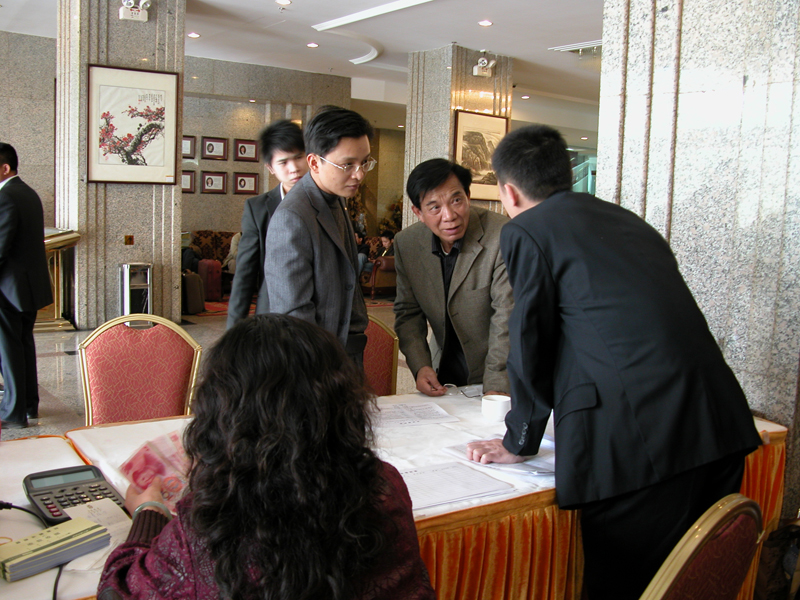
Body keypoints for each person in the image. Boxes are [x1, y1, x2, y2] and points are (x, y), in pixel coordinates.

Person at [466, 124, 762, 600]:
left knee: (622, 586)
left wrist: (519, 439)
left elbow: (530, 339)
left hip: (640, 443)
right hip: (716, 421)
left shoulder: (527, 229)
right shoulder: (627, 220)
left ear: (509, 192)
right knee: (695, 584)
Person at [98, 314, 435, 600]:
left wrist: (148, 512)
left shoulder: (210, 527)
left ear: (223, 413)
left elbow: (118, 590)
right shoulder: (384, 486)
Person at [393, 158, 513, 396]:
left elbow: (507, 317)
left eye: (456, 200)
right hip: (446, 372)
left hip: (498, 371)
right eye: (434, 207)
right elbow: (408, 313)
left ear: (468, 196)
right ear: (418, 212)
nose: (449, 215)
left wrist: (496, 387)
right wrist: (420, 366)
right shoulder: (407, 244)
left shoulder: (502, 236)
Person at [265, 106, 375, 365]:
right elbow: (293, 316)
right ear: (314, 162)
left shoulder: (336, 198)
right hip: (317, 364)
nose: (359, 174)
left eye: (364, 162)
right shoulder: (292, 217)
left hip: (344, 351)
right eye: (347, 164)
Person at [226, 120, 308, 328]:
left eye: (299, 157)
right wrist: (233, 333)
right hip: (272, 316)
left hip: (321, 319)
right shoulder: (258, 209)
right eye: (283, 162)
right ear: (270, 168)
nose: (294, 168)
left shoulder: (331, 203)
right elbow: (245, 274)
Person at [0, 143, 52, 429]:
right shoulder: (28, 193)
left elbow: (1, 247)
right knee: (23, 345)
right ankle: (29, 405)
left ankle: (12, 412)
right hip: (27, 287)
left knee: (8, 349)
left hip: (8, 289)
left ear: (5, 167)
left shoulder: (6, 196)